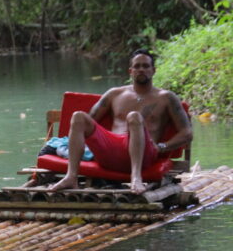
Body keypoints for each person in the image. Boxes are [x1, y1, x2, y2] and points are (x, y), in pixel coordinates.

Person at [51, 48, 192, 194]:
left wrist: (161, 147)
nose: (141, 69)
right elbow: (90, 121)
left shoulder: (166, 97)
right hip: (110, 152)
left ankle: (136, 177)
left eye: (145, 66)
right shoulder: (114, 94)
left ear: (153, 70)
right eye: (137, 66)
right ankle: (71, 177)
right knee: (78, 116)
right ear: (130, 71)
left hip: (144, 153)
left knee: (134, 116)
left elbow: (187, 133)